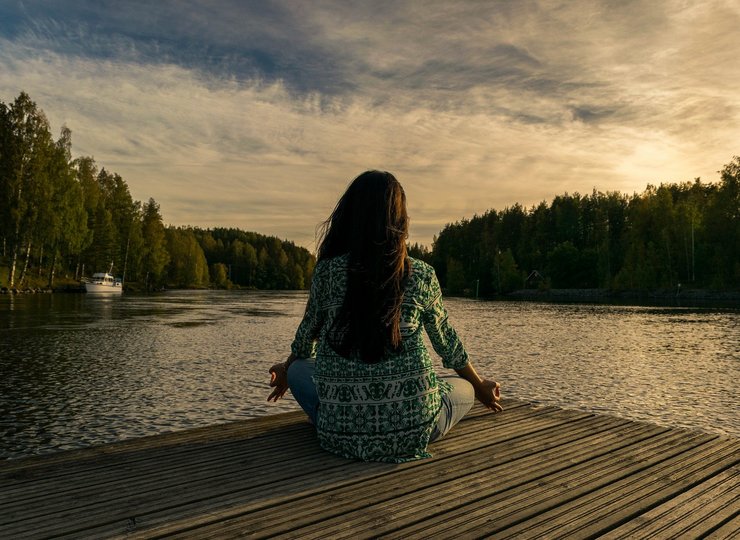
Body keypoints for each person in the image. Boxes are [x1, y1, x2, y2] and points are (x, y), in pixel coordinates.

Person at [267, 170, 502, 463]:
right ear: (400, 221)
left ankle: (337, 418)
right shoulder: (421, 274)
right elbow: (447, 345)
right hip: (415, 430)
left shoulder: (327, 272)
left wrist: (287, 369)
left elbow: (305, 340)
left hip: (340, 434)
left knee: (301, 368)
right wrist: (480, 387)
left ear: (350, 217)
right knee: (463, 387)